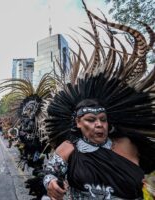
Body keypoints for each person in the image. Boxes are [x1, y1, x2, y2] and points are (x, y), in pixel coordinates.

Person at [41, 2, 155, 199]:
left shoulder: (129, 143)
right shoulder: (69, 148)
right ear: (78, 123)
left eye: (102, 119)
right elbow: (50, 172)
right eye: (91, 120)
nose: (99, 124)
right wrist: (51, 183)